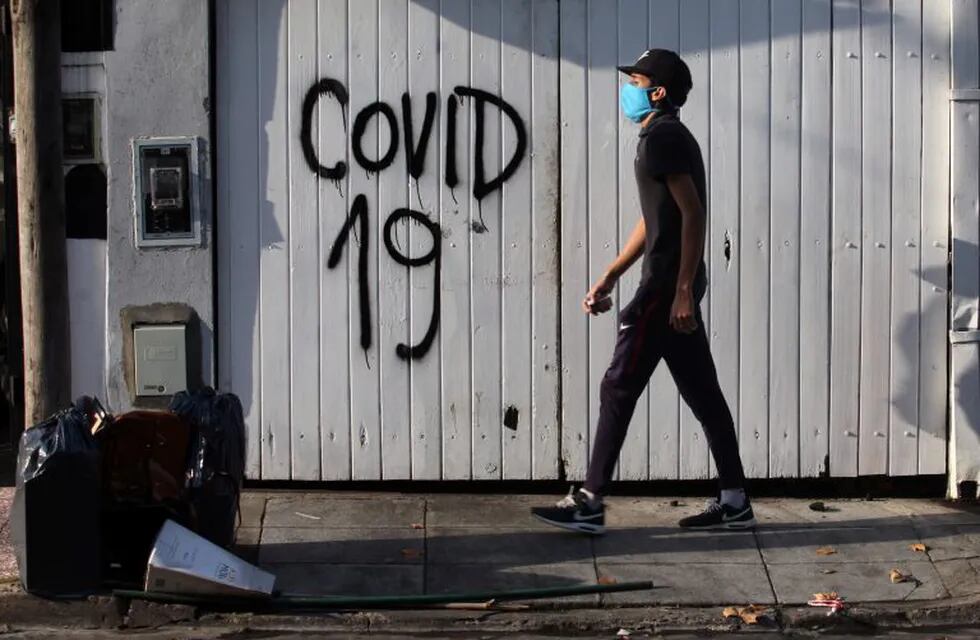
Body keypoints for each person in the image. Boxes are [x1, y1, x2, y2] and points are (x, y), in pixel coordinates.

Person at [531, 49, 754, 535]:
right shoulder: (662, 136)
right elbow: (657, 217)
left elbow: (693, 214)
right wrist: (612, 272)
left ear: (657, 91)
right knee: (703, 393)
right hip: (670, 283)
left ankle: (590, 502)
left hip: (664, 288)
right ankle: (735, 499)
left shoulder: (663, 137)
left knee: (617, 386)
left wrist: (679, 292)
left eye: (635, 80)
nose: (628, 88)